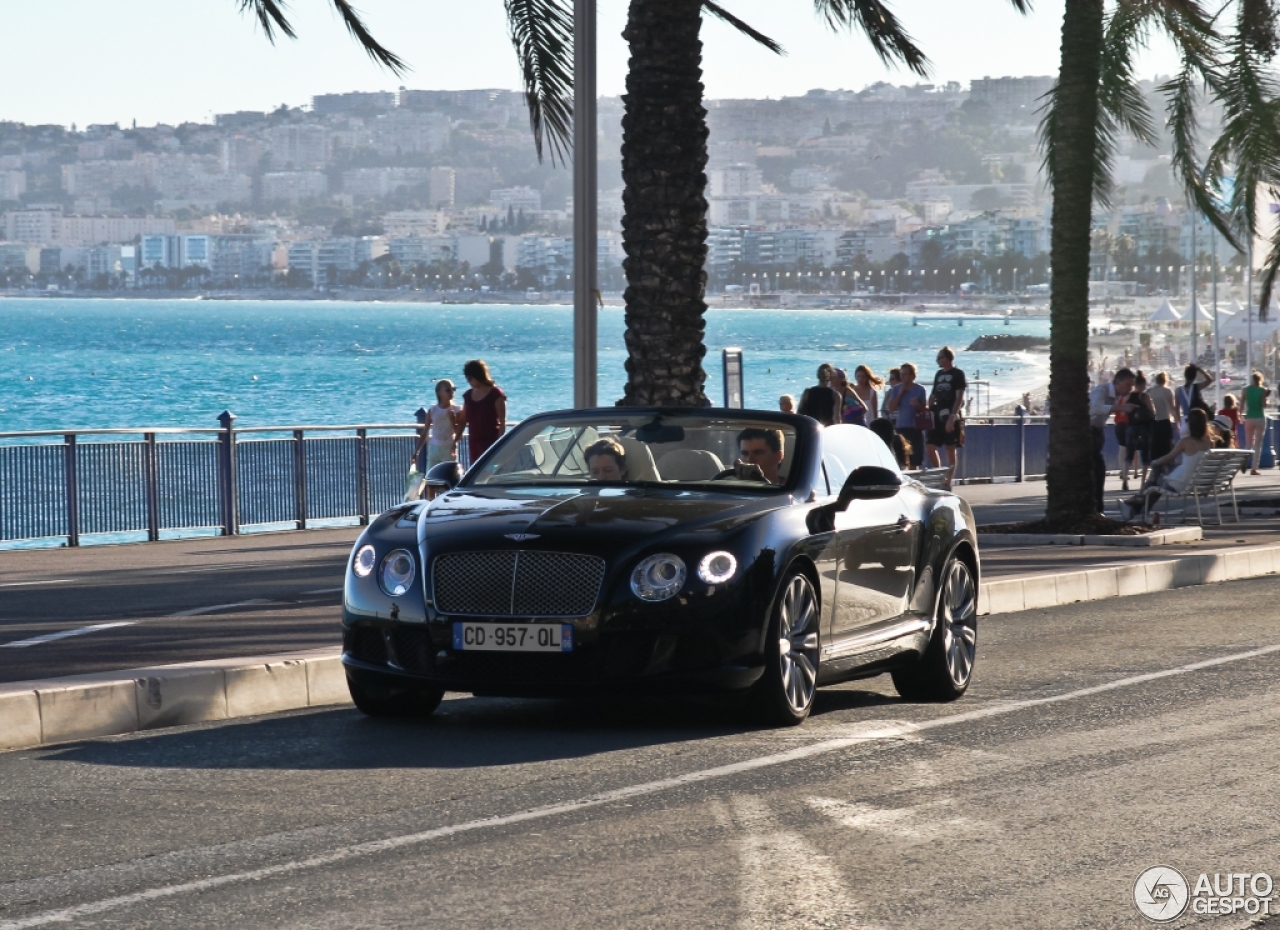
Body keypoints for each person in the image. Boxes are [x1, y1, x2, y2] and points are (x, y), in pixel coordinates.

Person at [1118, 408, 1212, 520]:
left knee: (1156, 475)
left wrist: (1154, 462)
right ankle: (1137, 507)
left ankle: (1138, 501)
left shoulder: (1186, 441)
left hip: (1182, 484)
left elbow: (1169, 457)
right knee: (1157, 479)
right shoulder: (1209, 441)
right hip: (1198, 482)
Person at [1089, 366, 1136, 514]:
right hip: (1088, 431)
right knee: (1097, 469)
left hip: (1097, 431)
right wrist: (1121, 408)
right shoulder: (1101, 390)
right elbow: (1095, 408)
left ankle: (1097, 507)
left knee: (1099, 470)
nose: (1130, 389)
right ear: (1118, 382)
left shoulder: (1118, 395)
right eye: (1128, 385)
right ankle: (1096, 508)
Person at [925, 346, 966, 488]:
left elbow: (959, 396)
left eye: (940, 357)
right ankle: (939, 475)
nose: (938, 360)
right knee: (930, 447)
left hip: (950, 415)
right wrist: (927, 408)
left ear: (947, 358)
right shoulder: (938, 374)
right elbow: (933, 393)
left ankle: (947, 481)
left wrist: (953, 416)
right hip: (937, 414)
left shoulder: (958, 374)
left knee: (950, 449)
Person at [453, 359, 507, 465]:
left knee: (491, 470)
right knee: (476, 473)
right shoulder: (468, 396)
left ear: (478, 375)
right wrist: (455, 441)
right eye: (467, 378)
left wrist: (498, 444)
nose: (468, 381)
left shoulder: (496, 394)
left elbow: (502, 422)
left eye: (470, 378)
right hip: (474, 443)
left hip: (491, 442)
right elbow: (463, 420)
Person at [885, 361, 928, 469]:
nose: (902, 377)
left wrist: (917, 405)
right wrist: (900, 394)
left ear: (912, 376)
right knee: (901, 460)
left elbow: (924, 410)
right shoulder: (896, 389)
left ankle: (914, 482)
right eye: (901, 374)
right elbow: (891, 409)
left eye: (905, 374)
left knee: (914, 460)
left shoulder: (920, 389)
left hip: (916, 428)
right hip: (901, 427)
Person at [413, 380, 461, 473]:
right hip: (434, 448)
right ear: (439, 393)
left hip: (449, 448)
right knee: (431, 477)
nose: (452, 392)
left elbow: (459, 434)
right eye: (448, 390)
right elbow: (425, 432)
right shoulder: (433, 410)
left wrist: (452, 419)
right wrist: (417, 452)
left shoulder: (456, 410)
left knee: (449, 477)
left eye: (453, 389)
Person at [1121, 371, 1155, 491]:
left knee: (1129, 454)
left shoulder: (1128, 396)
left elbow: (1124, 412)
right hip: (1144, 428)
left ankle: (1125, 478)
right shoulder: (1145, 396)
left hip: (1131, 426)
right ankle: (1142, 483)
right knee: (1145, 455)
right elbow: (1152, 412)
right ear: (1143, 384)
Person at [1242, 371, 1271, 474]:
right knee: (1258, 444)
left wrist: (1240, 415)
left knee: (1248, 443)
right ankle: (1254, 468)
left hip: (1249, 417)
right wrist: (1267, 400)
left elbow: (1241, 403)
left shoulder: (1246, 390)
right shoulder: (1262, 390)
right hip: (1260, 417)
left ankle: (1244, 459)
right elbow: (1263, 405)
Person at [1147, 370, 1177, 460]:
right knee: (1167, 446)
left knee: (1155, 446)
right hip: (1165, 421)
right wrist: (1177, 421)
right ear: (1165, 380)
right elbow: (1172, 408)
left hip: (1153, 422)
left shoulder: (1149, 391)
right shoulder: (1167, 391)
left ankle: (1155, 465)